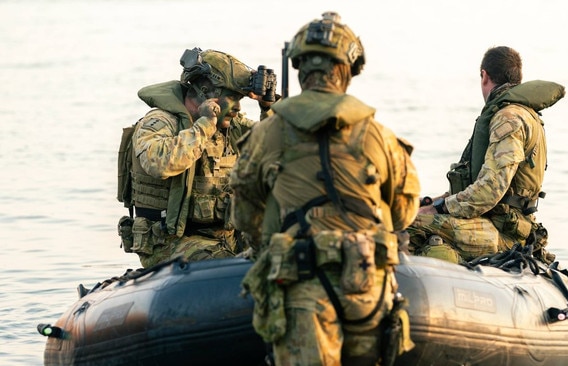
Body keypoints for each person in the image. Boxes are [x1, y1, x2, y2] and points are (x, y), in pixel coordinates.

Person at [230, 12, 420, 366]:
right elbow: (403, 211)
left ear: (301, 69)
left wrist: (268, 243)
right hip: (368, 284)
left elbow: (244, 210)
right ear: (346, 70)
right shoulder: (378, 135)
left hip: (302, 287)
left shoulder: (269, 133)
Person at [117, 47, 277, 268]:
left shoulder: (231, 125)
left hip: (225, 239)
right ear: (204, 91)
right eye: (232, 98)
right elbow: (158, 163)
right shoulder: (160, 122)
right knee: (230, 270)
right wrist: (204, 126)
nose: (238, 107)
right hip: (171, 243)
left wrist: (268, 109)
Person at [408, 46, 565, 264]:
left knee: (406, 227)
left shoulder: (508, 118)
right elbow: (476, 187)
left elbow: (491, 189)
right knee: (409, 213)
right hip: (497, 222)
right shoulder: (521, 114)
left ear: (484, 76)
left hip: (503, 231)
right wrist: (429, 203)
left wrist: (437, 210)